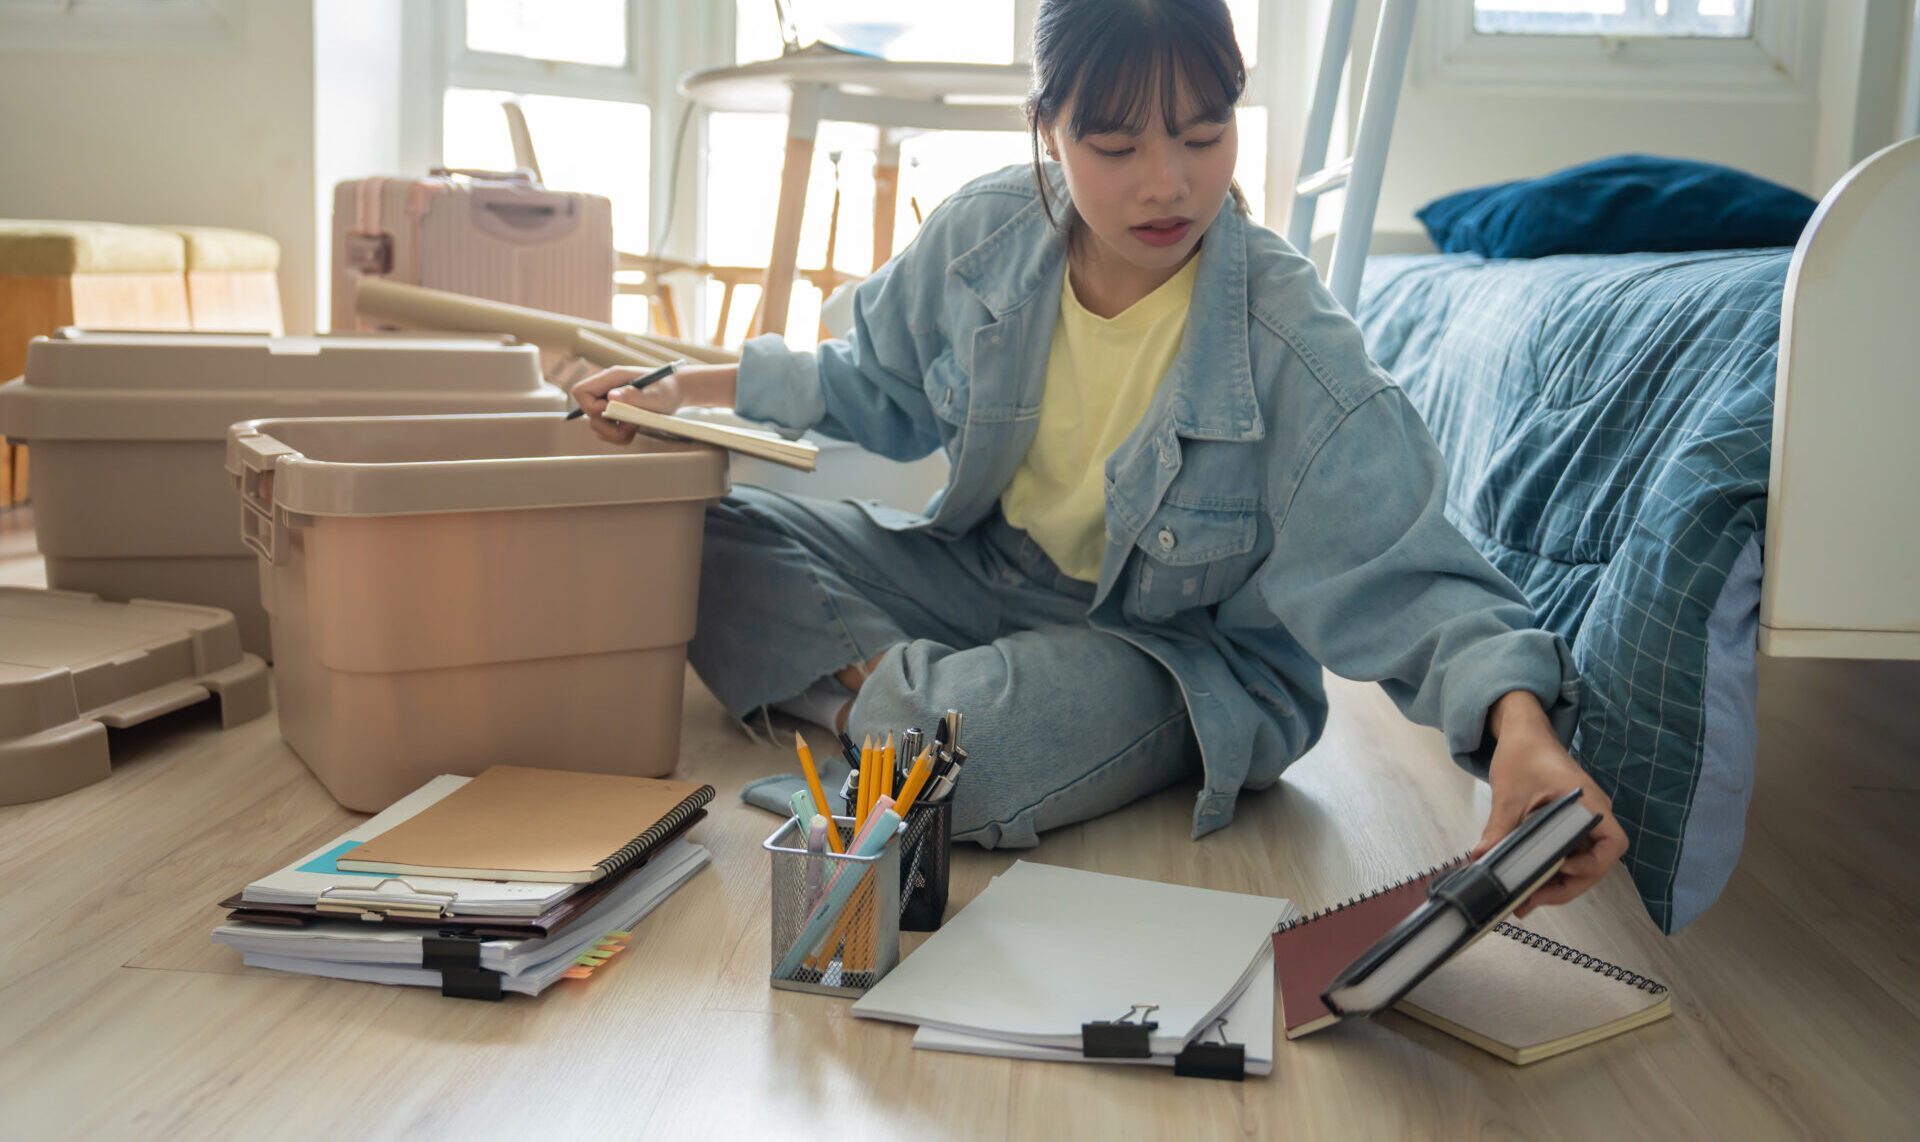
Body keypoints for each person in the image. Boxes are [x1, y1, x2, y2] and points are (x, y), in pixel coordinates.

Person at [575, 0, 1626, 912]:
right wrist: (680, 391)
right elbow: (869, 381)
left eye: (1206, 136)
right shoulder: (987, 230)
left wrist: (1521, 730)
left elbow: (1407, 569)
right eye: (1116, 148)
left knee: (974, 757)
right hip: (984, 575)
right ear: (1050, 129)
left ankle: (885, 710)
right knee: (702, 542)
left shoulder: (1291, 338)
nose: (1168, 185)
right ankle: (903, 712)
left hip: (1172, 654)